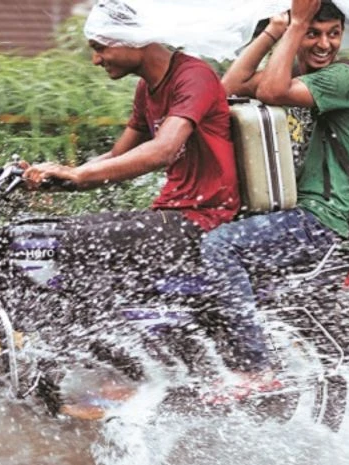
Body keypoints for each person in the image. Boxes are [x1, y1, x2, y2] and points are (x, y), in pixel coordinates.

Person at [202, 0, 349, 392]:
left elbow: (273, 91)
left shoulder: (343, 78)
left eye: (333, 33)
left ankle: (255, 367)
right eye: (314, 33)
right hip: (294, 215)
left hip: (319, 220)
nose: (324, 44)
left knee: (220, 246)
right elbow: (226, 90)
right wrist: (273, 32)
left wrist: (295, 27)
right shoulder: (296, 76)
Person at [21, 1, 240, 293]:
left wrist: (79, 175)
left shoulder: (193, 76)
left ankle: (95, 331)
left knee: (68, 242)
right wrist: (60, 176)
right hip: (170, 212)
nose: (96, 60)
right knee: (48, 233)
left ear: (133, 40)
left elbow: (163, 149)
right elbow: (116, 156)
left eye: (100, 47)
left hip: (205, 219)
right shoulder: (146, 89)